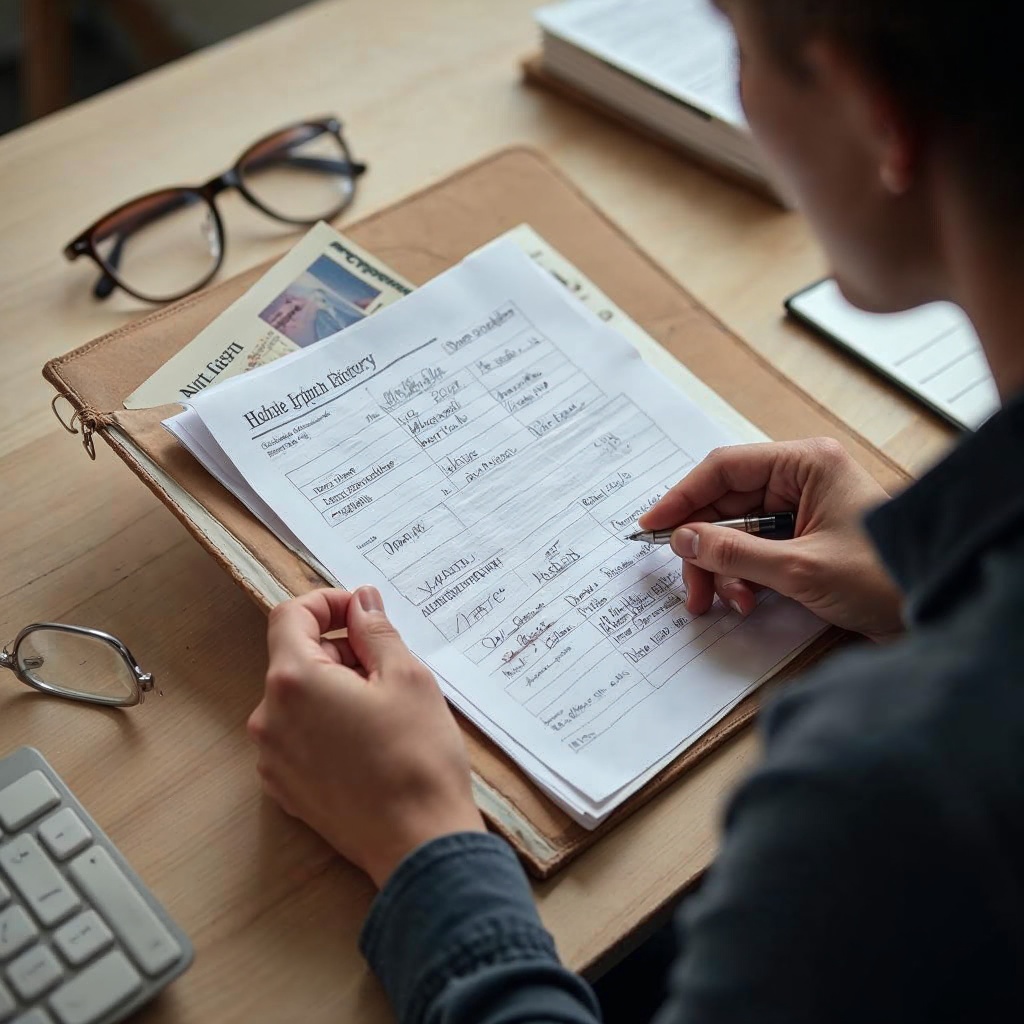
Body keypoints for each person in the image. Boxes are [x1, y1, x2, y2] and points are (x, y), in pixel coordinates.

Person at [245, 1, 1024, 1020]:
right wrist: (919, 584)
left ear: (875, 117)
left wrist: (423, 844)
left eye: (737, 55)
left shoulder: (880, 796)